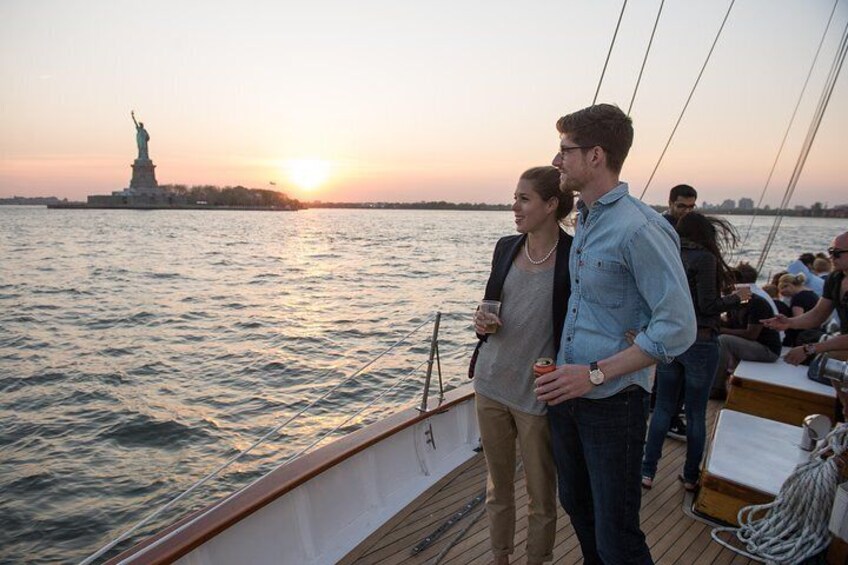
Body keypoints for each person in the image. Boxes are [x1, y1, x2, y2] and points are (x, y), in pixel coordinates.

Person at [535, 103, 696, 565]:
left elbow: (678, 325)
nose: (556, 160)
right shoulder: (586, 219)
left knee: (616, 536)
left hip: (614, 404)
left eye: (565, 149)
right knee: (580, 513)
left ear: (596, 156)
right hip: (568, 398)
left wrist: (596, 375)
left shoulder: (640, 227)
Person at [471, 166, 574, 565]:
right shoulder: (505, 247)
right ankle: (500, 557)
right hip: (490, 383)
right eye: (515, 197)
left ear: (551, 205)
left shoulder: (572, 257)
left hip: (536, 396)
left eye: (524, 198)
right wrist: (480, 320)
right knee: (498, 486)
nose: (514, 206)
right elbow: (489, 306)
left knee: (541, 495)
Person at [641, 213, 749, 492]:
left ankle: (647, 471)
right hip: (700, 342)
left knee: (663, 407)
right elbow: (708, 305)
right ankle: (690, 476)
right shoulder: (705, 259)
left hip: (671, 341)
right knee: (696, 412)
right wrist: (738, 299)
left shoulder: (670, 254)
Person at [764, 231, 848, 366]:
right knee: (826, 366)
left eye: (837, 253)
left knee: (829, 365)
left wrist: (810, 348)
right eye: (830, 251)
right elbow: (817, 315)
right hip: (842, 344)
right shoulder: (835, 278)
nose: (831, 257)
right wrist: (789, 322)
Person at [657, 184, 699, 440]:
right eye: (682, 206)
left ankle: (671, 414)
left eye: (691, 207)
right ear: (671, 203)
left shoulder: (688, 229)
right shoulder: (663, 227)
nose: (686, 211)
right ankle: (670, 416)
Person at [712, 269, 782, 399]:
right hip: (751, 345)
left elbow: (751, 334)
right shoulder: (733, 304)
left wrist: (721, 330)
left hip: (767, 350)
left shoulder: (756, 303)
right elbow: (731, 325)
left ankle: (717, 388)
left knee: (724, 340)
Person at [777, 272, 819, 346]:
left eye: (782, 289)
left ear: (789, 286)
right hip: (815, 331)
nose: (782, 293)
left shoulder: (798, 298)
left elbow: (798, 319)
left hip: (803, 336)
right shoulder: (812, 294)